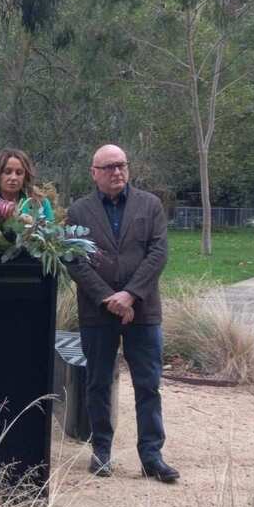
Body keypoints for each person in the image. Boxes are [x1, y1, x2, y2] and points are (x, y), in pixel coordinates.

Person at [65, 144, 178, 483]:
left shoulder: (150, 205)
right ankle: (101, 450)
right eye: (109, 167)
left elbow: (158, 253)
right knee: (98, 383)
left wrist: (129, 295)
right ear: (94, 172)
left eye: (122, 165)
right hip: (98, 313)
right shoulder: (79, 211)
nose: (117, 172)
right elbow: (73, 260)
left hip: (142, 311)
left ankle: (151, 456)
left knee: (148, 384)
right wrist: (108, 298)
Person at [0, 148, 55, 221]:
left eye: (19, 173)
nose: (13, 177)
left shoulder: (40, 202)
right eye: (7, 172)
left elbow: (51, 230)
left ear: (25, 176)